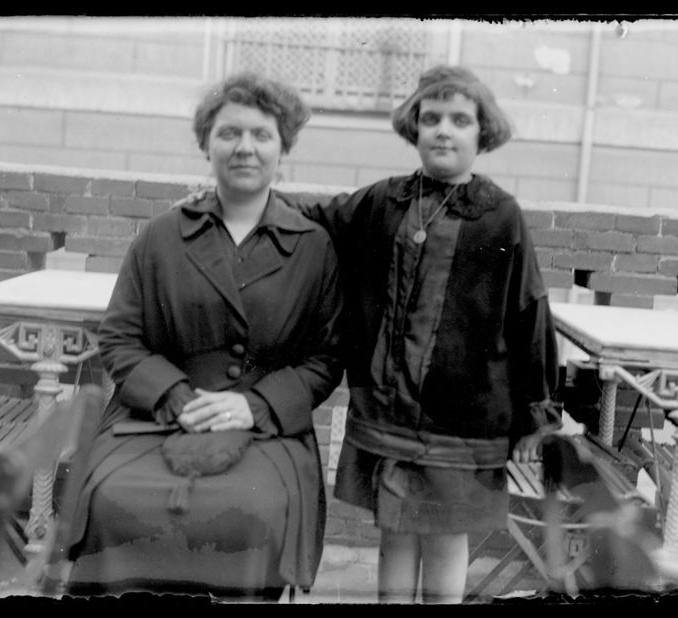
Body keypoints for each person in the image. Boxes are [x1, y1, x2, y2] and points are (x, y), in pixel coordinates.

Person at [181, 64, 560, 604]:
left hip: (462, 418)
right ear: (414, 128)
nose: (444, 131)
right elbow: (315, 219)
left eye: (459, 120)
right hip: (387, 412)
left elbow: (529, 316)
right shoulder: (385, 201)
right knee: (396, 530)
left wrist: (535, 413)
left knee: (446, 538)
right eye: (431, 119)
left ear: (483, 133)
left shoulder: (500, 217)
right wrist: (227, 202)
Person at [60, 72, 344, 601]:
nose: (245, 148)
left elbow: (325, 358)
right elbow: (120, 337)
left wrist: (253, 406)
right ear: (205, 145)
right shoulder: (162, 236)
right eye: (229, 133)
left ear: (284, 150)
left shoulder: (312, 247)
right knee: (112, 501)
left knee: (253, 511)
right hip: (155, 418)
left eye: (262, 136)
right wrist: (175, 396)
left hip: (266, 430)